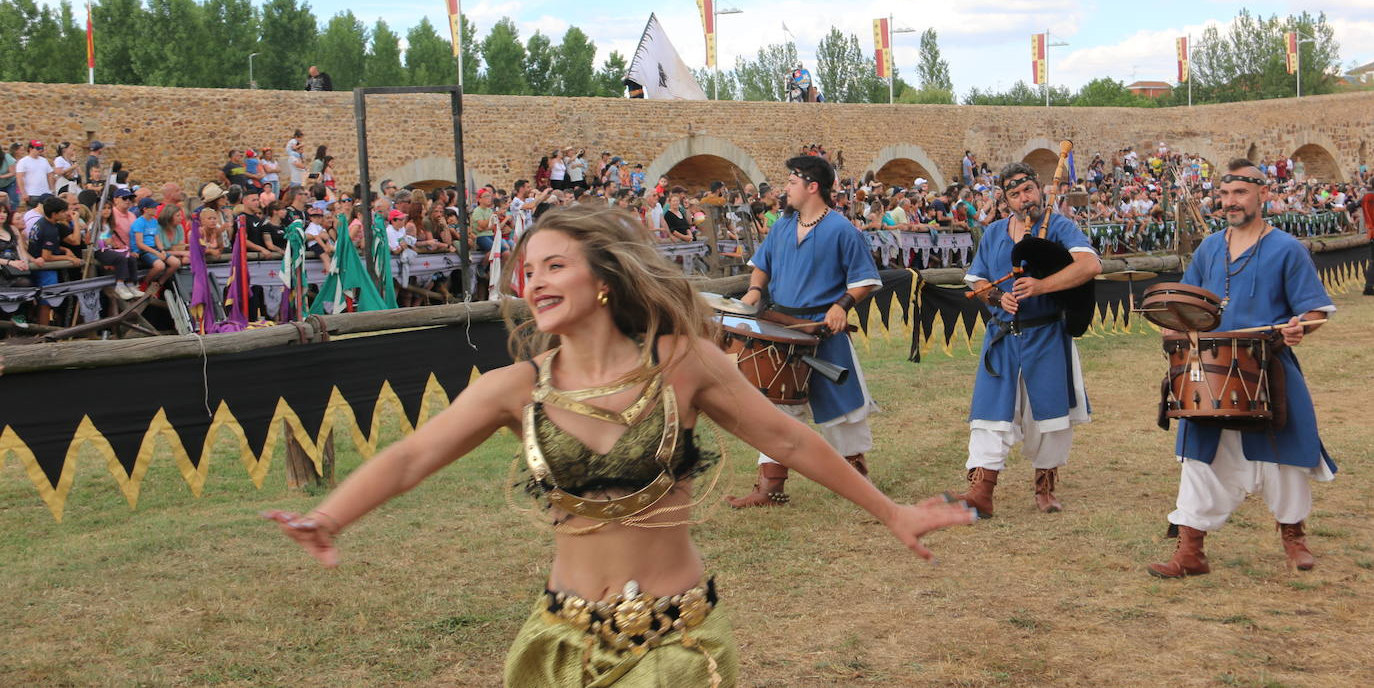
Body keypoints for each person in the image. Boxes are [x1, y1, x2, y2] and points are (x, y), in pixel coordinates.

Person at [263, 205, 975, 686]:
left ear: (603, 279)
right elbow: (410, 457)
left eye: (553, 266)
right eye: (528, 271)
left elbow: (788, 438)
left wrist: (891, 513)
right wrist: (330, 517)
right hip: (559, 641)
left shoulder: (682, 362)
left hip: (676, 643)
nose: (533, 282)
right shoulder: (518, 388)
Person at [1149, 160, 1337, 578]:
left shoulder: (1287, 248)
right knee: (1199, 458)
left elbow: (1314, 310)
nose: (1231, 202)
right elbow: (1188, 304)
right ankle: (1191, 551)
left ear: (1262, 195)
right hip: (1207, 370)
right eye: (1226, 194)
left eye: (1241, 193)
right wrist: (1173, 328)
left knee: (1283, 457)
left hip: (1268, 366)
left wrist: (1298, 328)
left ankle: (1294, 539)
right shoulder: (1210, 248)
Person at [728, 154, 882, 507]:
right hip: (780, 329)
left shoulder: (841, 230)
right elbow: (761, 266)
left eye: (792, 183)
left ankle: (857, 478)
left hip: (821, 331)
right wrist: (754, 289)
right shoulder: (783, 226)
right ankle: (771, 486)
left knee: (842, 410)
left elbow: (865, 279)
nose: (786, 189)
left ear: (813, 187)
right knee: (776, 408)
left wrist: (841, 305)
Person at [955, 161, 1100, 517]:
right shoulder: (993, 234)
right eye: (1015, 194)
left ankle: (1045, 486)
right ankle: (981, 490)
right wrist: (994, 297)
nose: (1024, 199)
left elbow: (1089, 265)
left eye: (1028, 191)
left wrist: (1041, 286)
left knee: (1050, 418)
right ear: (1006, 201)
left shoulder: (1060, 227)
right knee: (989, 415)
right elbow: (976, 280)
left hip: (1046, 336)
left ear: (1039, 189)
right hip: (1002, 338)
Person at [1361, 182, 1374, 296]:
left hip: (1371, 231)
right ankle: (1368, 287)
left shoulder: (1365, 197)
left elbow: (1351, 206)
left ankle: (1369, 287)